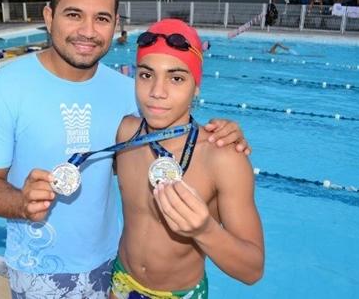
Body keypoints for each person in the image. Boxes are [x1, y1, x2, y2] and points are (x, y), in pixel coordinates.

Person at [0, 0, 251, 297]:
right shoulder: (4, 89)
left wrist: (225, 134)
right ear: (49, 16)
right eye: (74, 14)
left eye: (101, 18)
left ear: (115, 23)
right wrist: (20, 203)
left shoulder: (129, 93)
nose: (87, 31)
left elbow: (171, 131)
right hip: (40, 268)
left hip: (111, 266)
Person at [111, 19, 264, 299]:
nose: (157, 91)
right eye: (146, 75)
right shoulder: (125, 133)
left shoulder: (223, 157)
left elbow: (253, 270)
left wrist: (204, 230)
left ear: (196, 86)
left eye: (176, 78)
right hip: (121, 281)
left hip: (181, 293)